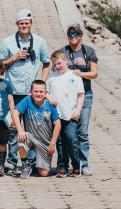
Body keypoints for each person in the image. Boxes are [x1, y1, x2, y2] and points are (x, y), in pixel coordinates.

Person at [0, 9, 50, 174]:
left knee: (33, 127)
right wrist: (14, 58)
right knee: (13, 127)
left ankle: (31, 162)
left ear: (31, 24)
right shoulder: (7, 42)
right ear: (17, 25)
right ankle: (13, 162)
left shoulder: (40, 41)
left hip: (32, 93)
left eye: (27, 23)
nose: (24, 26)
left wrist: (41, 83)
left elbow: (47, 63)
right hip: (13, 90)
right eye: (21, 24)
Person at [57, 23, 98, 176]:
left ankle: (83, 164)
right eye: (70, 34)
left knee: (82, 131)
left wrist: (81, 74)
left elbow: (94, 73)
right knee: (66, 132)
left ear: (81, 35)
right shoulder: (63, 51)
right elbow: (57, 68)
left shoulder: (88, 51)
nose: (73, 37)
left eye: (76, 34)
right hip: (67, 96)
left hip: (85, 94)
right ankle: (65, 163)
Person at [46, 50, 85, 178]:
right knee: (60, 141)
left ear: (66, 61)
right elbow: (45, 91)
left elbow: (81, 94)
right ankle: (62, 166)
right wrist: (49, 96)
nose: (57, 66)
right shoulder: (52, 76)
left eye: (59, 63)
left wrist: (78, 110)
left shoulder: (75, 76)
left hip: (71, 113)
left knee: (71, 139)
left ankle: (76, 165)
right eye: (55, 65)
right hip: (57, 114)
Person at [12, 80, 61, 179]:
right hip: (30, 136)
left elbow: (58, 124)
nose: (38, 94)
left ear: (46, 93)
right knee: (21, 139)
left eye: (41, 92)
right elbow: (15, 113)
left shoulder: (49, 105)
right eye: (35, 91)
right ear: (31, 91)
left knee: (44, 173)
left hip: (45, 141)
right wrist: (20, 130)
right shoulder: (27, 100)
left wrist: (52, 143)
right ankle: (26, 165)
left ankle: (35, 165)